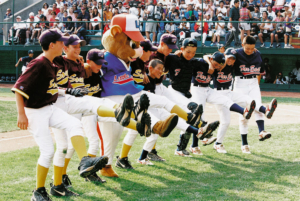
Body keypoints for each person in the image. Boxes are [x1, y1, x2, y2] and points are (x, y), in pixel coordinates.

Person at [12, 29, 109, 200]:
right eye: (61, 42)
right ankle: (38, 191)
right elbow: (18, 88)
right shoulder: (39, 62)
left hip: (49, 107)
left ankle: (85, 161)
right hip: (35, 112)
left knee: (74, 124)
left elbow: (53, 84)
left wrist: (67, 89)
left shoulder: (51, 62)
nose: (63, 44)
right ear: (52, 45)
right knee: (48, 151)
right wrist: (21, 114)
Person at [210, 36, 274, 153]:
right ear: (242, 45)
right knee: (244, 115)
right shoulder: (236, 53)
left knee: (256, 104)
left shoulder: (257, 54)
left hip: (253, 82)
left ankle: (262, 131)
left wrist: (257, 84)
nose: (250, 50)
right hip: (240, 82)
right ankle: (244, 144)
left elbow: (259, 71)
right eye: (247, 48)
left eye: (252, 48)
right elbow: (220, 58)